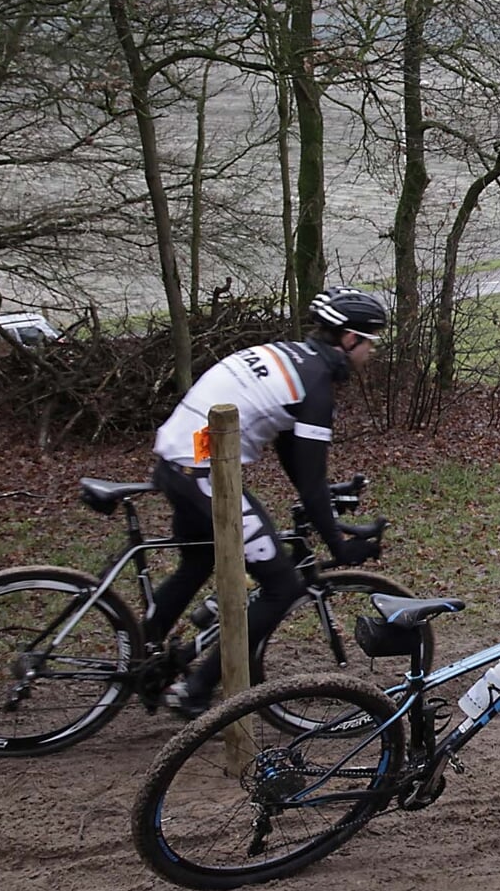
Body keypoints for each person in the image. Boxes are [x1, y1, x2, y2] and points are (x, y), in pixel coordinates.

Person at [150, 286, 388, 717]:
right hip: (202, 468)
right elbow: (311, 477)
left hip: (179, 459)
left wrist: (321, 504)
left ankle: (143, 659)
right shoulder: (315, 385)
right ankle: (196, 689)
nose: (371, 353)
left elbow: (291, 453)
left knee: (198, 562)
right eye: (371, 342)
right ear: (349, 339)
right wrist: (339, 545)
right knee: (282, 585)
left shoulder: (295, 357)